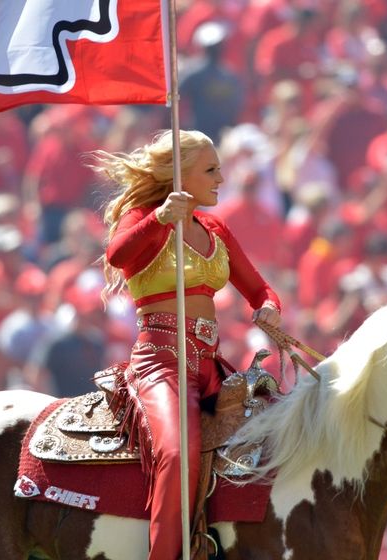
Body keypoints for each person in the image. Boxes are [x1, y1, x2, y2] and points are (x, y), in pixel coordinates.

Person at [93, 129, 281, 559]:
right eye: (211, 170)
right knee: (177, 455)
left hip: (211, 366)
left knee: (279, 436)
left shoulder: (215, 227)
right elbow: (118, 256)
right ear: (180, 174)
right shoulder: (145, 215)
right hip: (160, 362)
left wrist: (270, 307)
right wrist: (159, 218)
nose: (221, 178)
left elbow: (259, 288)